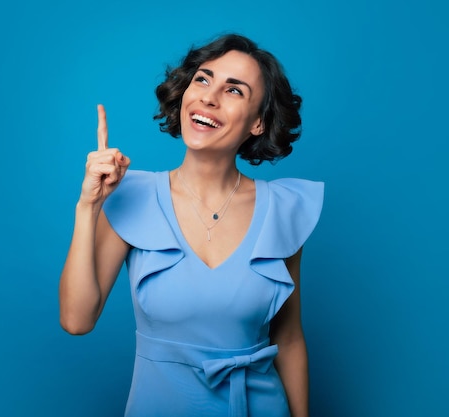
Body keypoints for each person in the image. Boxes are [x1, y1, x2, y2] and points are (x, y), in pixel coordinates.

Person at [59, 34, 324, 417]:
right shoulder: (131, 196)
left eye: (234, 90)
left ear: (258, 123)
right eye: (203, 79)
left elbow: (289, 336)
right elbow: (76, 320)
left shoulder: (284, 210)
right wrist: (88, 207)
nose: (209, 97)